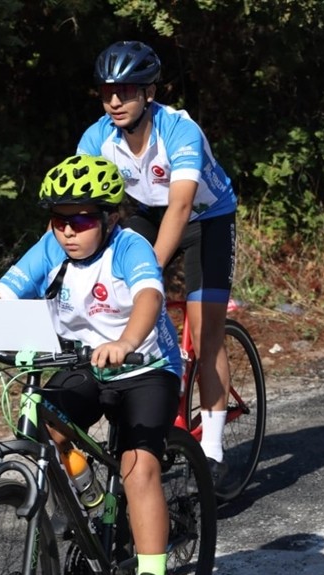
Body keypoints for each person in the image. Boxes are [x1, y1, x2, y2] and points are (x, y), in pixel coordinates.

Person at [0, 154, 185, 575]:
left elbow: (149, 297)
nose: (68, 231)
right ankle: (90, 494)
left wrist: (126, 342)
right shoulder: (51, 248)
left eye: (82, 219)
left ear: (110, 218)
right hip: (84, 362)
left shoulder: (129, 247)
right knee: (43, 422)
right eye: (59, 219)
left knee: (137, 467)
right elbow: (2, 293)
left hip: (144, 367)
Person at [77, 40, 238, 487]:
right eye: (107, 91)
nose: (114, 101)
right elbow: (82, 204)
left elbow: (182, 206)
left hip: (206, 218)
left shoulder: (179, 130)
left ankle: (213, 450)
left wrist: (149, 273)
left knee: (205, 334)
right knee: (121, 303)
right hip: (149, 213)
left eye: (126, 91)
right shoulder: (97, 138)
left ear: (149, 93)